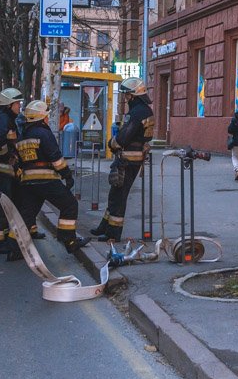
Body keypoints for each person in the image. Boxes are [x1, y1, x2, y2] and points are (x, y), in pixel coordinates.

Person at [14, 100, 90, 255]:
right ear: (41, 117)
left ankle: (14, 248)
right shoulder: (44, 133)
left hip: (28, 182)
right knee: (69, 205)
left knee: (26, 215)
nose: (48, 119)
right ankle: (69, 241)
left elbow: (18, 161)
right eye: (46, 116)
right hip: (46, 179)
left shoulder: (22, 136)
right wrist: (67, 176)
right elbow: (56, 158)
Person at [91, 77, 154, 242]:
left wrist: (112, 143)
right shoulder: (144, 110)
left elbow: (125, 136)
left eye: (127, 95)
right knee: (115, 193)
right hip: (130, 159)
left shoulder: (137, 112)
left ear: (133, 95)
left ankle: (113, 233)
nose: (125, 98)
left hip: (127, 160)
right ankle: (104, 227)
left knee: (119, 196)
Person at [0, 88, 23, 254]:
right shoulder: (3, 119)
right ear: (9, 105)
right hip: (1, 169)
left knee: (3, 204)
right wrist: (8, 155)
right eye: (17, 103)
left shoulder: (6, 118)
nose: (19, 106)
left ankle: (2, 240)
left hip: (3, 169)